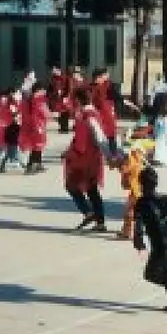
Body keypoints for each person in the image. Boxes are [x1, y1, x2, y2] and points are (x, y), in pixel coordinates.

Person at [134, 166, 167, 314]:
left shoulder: (141, 203)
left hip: (161, 246)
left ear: (141, 183)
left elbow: (138, 227)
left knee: (151, 274)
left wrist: (139, 244)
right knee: (166, 271)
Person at [63, 87, 110, 231]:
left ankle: (90, 213)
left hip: (85, 157)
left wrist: (109, 155)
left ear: (78, 99)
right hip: (88, 156)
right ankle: (99, 220)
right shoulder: (87, 114)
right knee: (91, 189)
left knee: (73, 186)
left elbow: (99, 137)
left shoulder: (88, 115)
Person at [117, 130, 154, 241]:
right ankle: (133, 231)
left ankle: (127, 233)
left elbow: (127, 169)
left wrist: (120, 165)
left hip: (135, 188)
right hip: (143, 187)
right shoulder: (142, 155)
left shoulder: (133, 155)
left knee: (130, 211)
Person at [19, 83, 51, 174]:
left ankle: (38, 164)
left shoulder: (29, 99)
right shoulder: (36, 100)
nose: (44, 91)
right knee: (37, 146)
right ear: (38, 90)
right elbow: (41, 112)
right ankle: (31, 166)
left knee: (38, 145)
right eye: (43, 90)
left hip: (33, 125)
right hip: (37, 125)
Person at [0, 91, 21, 171]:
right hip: (5, 129)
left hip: (0, 127)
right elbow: (14, 116)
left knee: (2, 148)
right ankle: (11, 162)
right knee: (7, 147)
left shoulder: (4, 103)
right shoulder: (11, 106)